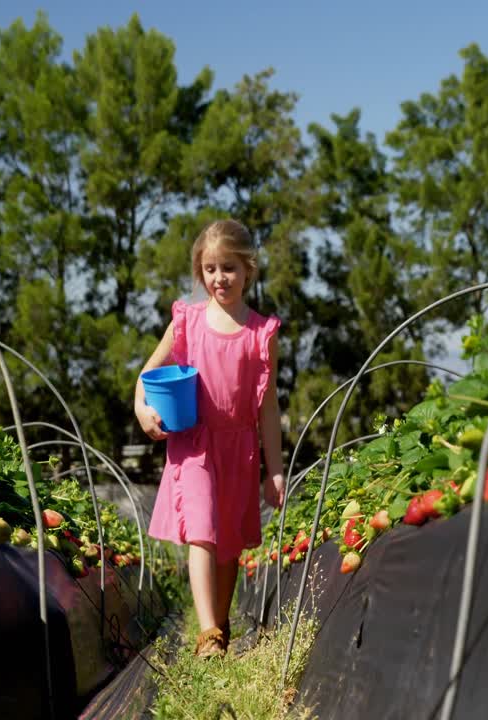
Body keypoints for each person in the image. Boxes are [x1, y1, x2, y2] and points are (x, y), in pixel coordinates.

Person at [133, 218, 286, 659]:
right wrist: (142, 409)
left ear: (248, 269)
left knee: (228, 545)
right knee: (201, 531)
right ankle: (208, 635)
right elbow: (146, 375)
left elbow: (267, 407)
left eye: (229, 268)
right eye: (210, 269)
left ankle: (220, 623)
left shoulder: (261, 333)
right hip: (194, 444)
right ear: (200, 272)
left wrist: (274, 471)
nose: (220, 278)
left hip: (239, 448)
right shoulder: (188, 322)